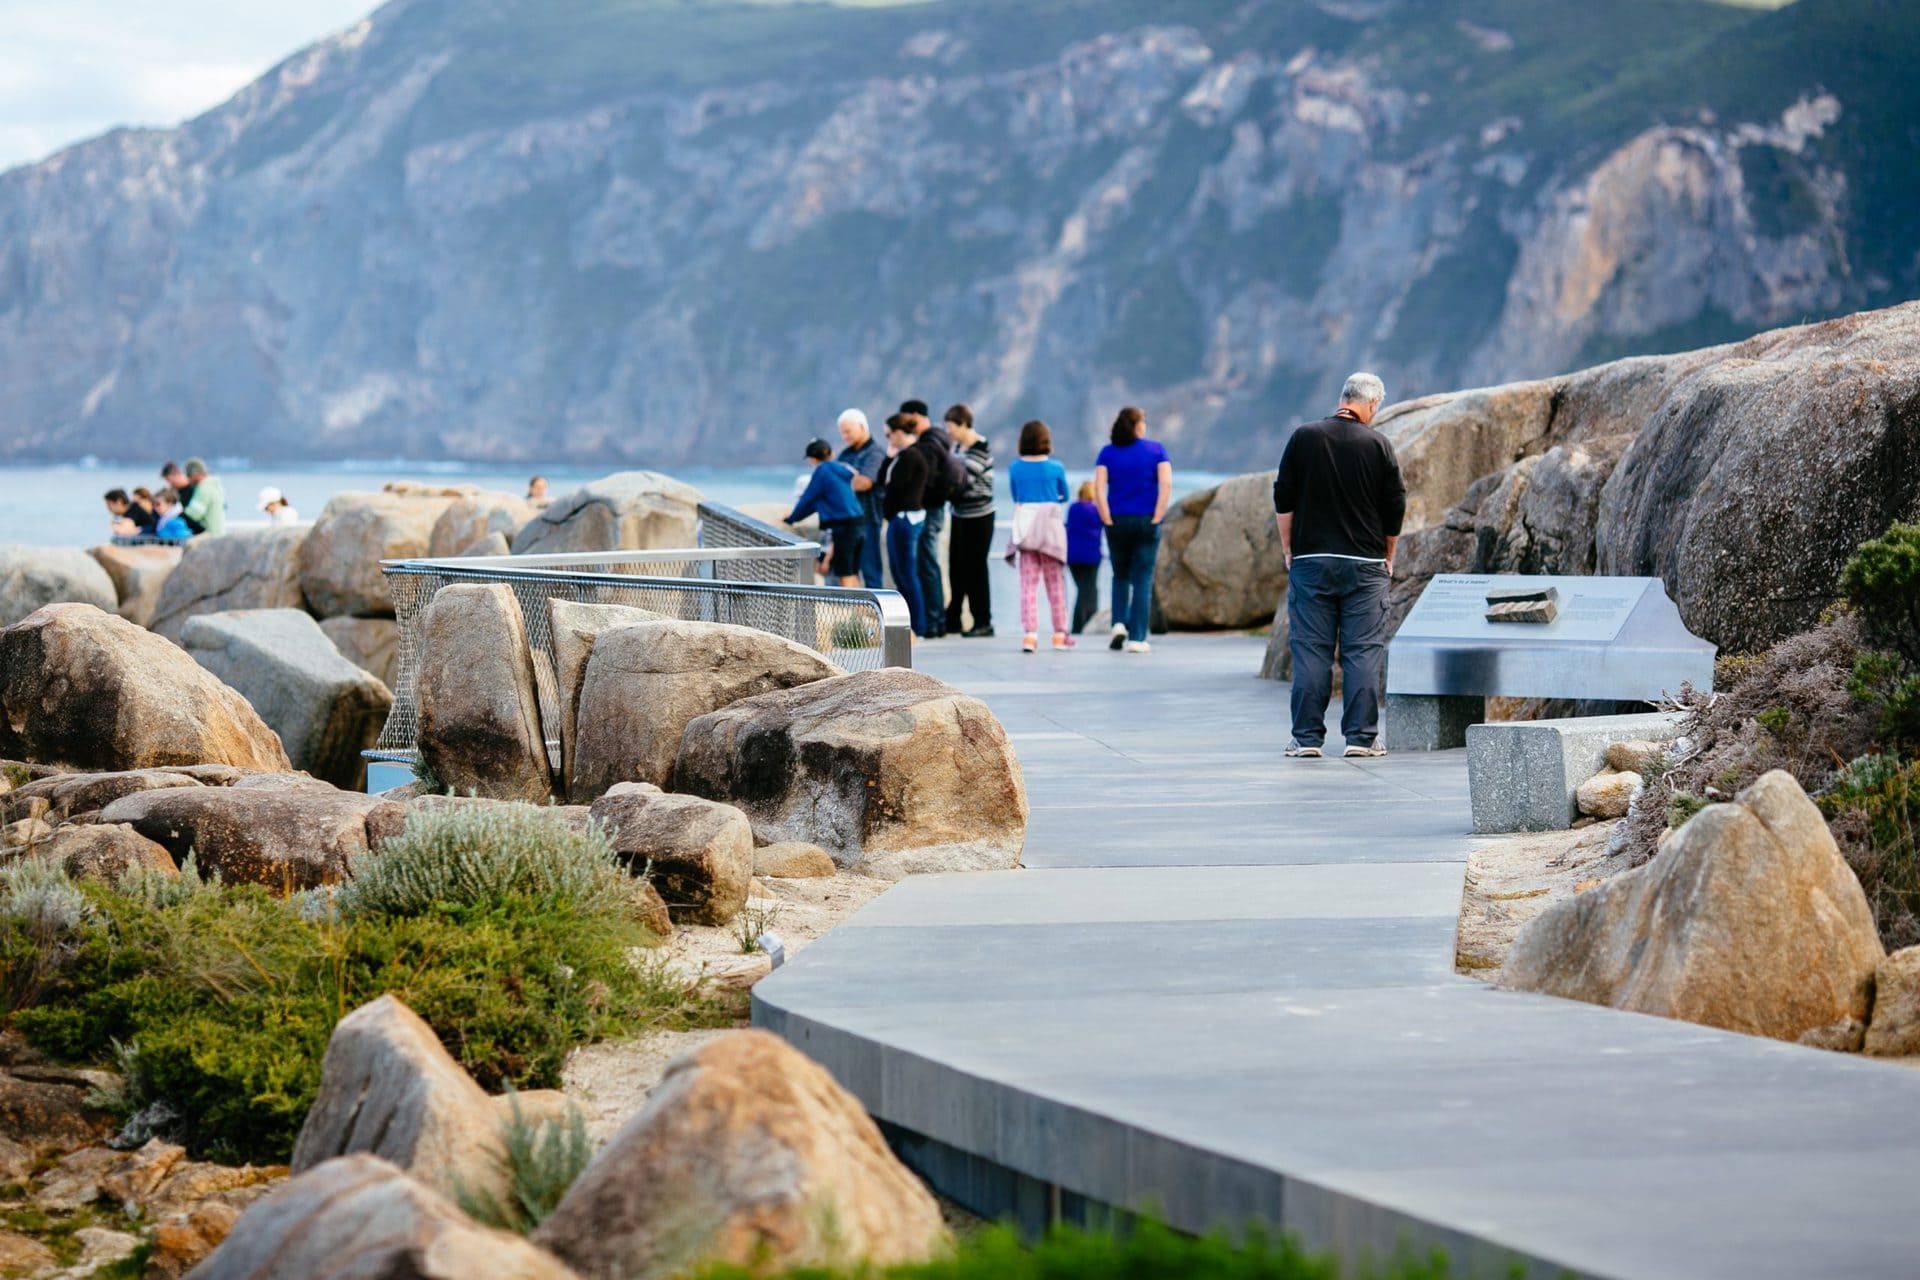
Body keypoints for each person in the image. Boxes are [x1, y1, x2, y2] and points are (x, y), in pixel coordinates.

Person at [1273, 372, 1407, 760]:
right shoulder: (1379, 444)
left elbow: (1284, 497)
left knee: (1312, 651)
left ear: (1343, 398)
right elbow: (1394, 506)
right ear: (1371, 404)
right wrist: (1390, 555)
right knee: (1362, 652)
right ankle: (1361, 739)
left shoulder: (1304, 437)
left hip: (1311, 560)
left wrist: (1288, 548)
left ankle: (1307, 738)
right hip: (1365, 564)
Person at [1094, 406, 1171, 654]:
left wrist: (1106, 517)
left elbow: (1098, 489)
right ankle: (1137, 638)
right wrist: (1158, 515)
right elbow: (1166, 484)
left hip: (1117, 519)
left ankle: (1118, 623)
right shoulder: (1156, 450)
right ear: (1138, 425)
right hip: (1146, 519)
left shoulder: (1107, 453)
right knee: (1142, 579)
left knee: (1119, 575)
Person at [1005, 419, 1072, 653]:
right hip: (1051, 532)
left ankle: (1030, 636)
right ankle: (1059, 635)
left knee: (1028, 586)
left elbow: (1016, 496)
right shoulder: (1056, 468)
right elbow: (1065, 493)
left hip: (1026, 532)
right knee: (1055, 585)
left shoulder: (1014, 468)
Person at [906, 399, 961, 639]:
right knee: (930, 563)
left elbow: (924, 481)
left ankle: (934, 622)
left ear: (916, 416)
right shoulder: (940, 439)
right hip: (938, 508)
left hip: (929, 509)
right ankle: (936, 620)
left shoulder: (928, 443)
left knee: (927, 564)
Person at [942, 404, 994, 638]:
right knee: (957, 568)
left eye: (951, 427)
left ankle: (983, 621)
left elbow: (964, 481)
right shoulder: (957, 448)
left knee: (976, 568)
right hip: (959, 514)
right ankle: (953, 619)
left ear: (963, 424)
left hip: (980, 516)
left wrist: (942, 487)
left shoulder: (981, 447)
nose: (949, 432)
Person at [785, 439, 866, 587]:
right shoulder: (841, 468)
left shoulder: (822, 471)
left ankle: (852, 610)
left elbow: (808, 499)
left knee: (844, 573)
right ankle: (863, 609)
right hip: (859, 522)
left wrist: (791, 519)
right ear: (831, 453)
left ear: (813, 459)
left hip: (843, 526)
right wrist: (796, 516)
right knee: (853, 571)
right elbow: (816, 503)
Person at [879, 414, 931, 636]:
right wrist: (890, 458)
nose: (888, 438)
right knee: (900, 573)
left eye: (889, 434)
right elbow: (883, 479)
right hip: (899, 519)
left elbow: (894, 485)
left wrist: (891, 460)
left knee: (907, 574)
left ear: (899, 433)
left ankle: (917, 626)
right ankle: (910, 624)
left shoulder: (911, 456)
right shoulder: (902, 456)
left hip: (906, 519)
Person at [836, 409, 887, 590]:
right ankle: (855, 618)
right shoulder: (845, 455)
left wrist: (840, 481)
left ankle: (880, 614)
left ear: (862, 427)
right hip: (846, 522)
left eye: (848, 431)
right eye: (842, 432)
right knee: (847, 572)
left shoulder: (875, 453)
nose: (844, 436)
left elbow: (865, 482)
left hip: (868, 520)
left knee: (871, 571)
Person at [1067, 479, 1103, 635]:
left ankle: (1088, 619)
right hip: (1090, 556)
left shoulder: (1073, 508)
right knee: (1087, 590)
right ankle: (1079, 625)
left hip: (1072, 556)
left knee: (1085, 589)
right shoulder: (1095, 510)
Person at [181, 458, 226, 536]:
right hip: (219, 534)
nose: (188, 479)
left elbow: (193, 514)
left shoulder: (203, 488)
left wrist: (178, 513)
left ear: (196, 474)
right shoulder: (215, 486)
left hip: (209, 538)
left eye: (189, 476)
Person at [159, 461, 203, 535]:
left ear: (177, 474)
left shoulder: (194, 488)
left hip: (194, 528)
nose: (169, 483)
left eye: (169, 480)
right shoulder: (174, 491)